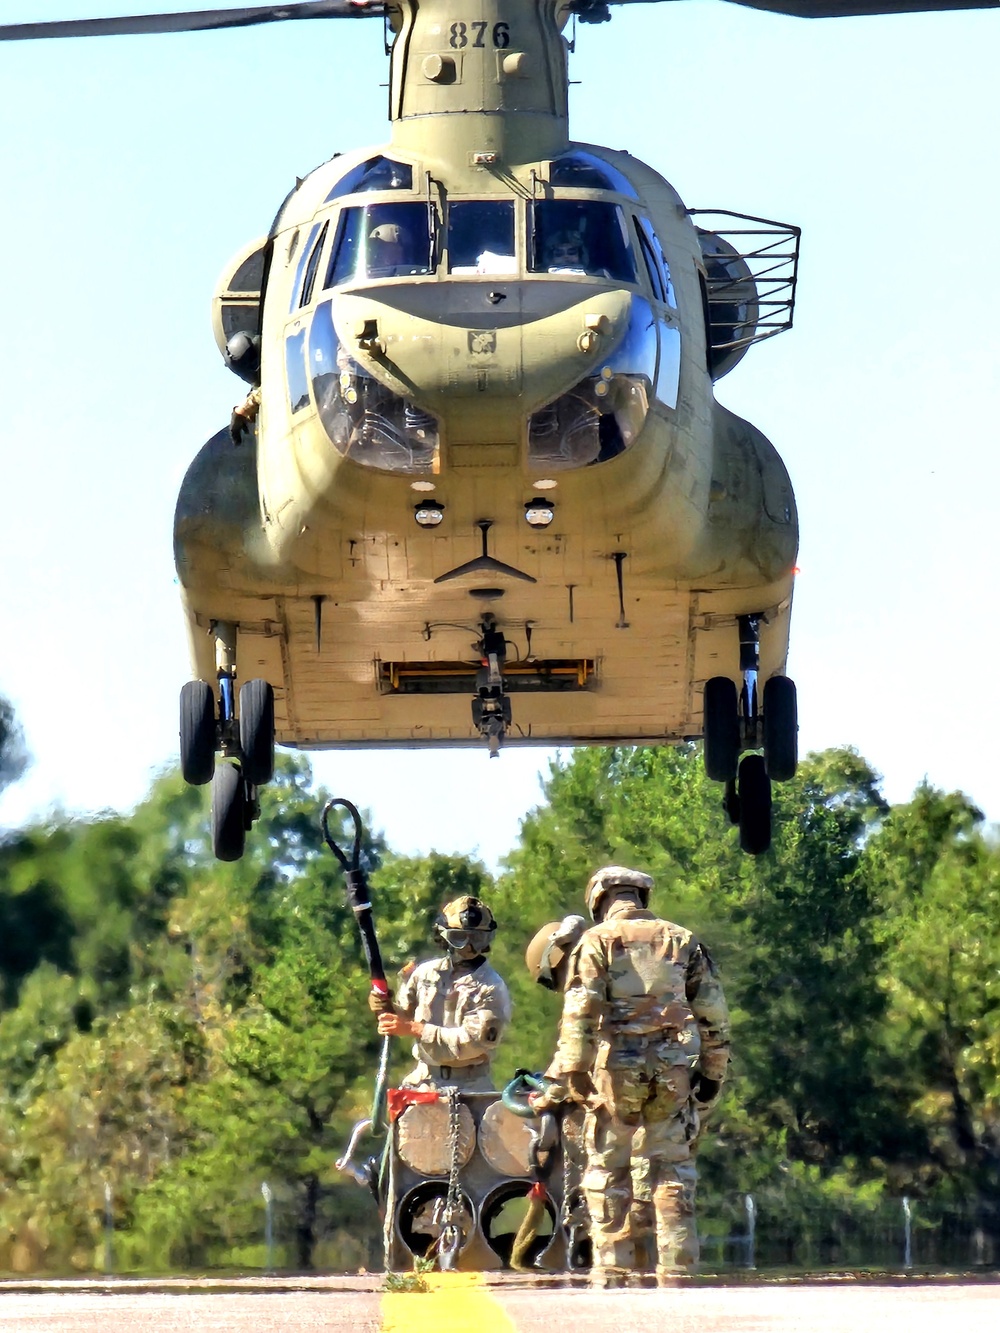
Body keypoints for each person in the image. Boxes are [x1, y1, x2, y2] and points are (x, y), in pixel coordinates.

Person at [530, 866, 730, 1286]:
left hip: (616, 1073)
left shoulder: (595, 941)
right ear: (641, 897)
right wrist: (713, 1072)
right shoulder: (682, 939)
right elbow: (713, 1014)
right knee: (671, 1168)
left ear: (599, 899)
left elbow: (579, 1013)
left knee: (608, 1168)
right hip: (671, 1071)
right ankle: (677, 1269)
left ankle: (614, 1269)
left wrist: (574, 1072)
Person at [373, 895, 511, 1092]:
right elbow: (402, 1016)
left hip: (472, 1086)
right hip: (423, 1081)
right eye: (459, 938)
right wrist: (383, 1005)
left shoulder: (491, 987)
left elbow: (472, 1042)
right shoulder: (424, 973)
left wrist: (415, 1029)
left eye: (477, 939)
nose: (468, 948)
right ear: (443, 936)